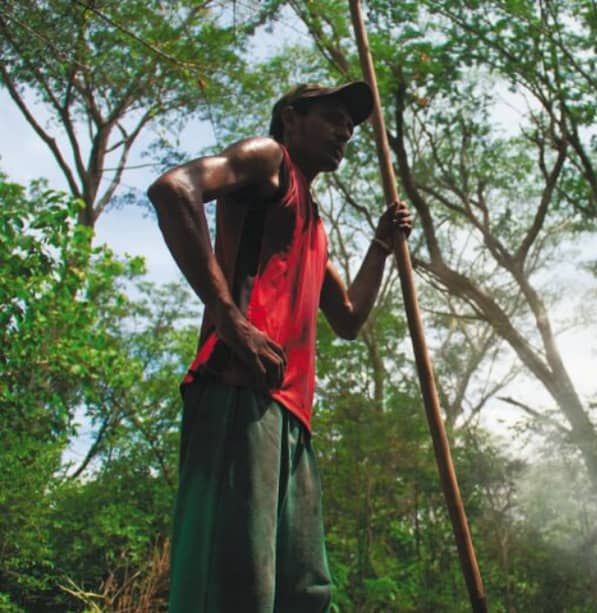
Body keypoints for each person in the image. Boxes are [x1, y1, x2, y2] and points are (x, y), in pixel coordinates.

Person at [147, 81, 411, 613]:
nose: (346, 131)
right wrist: (230, 319)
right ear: (290, 118)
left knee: (304, 592)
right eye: (333, 117)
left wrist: (382, 245)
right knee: (236, 585)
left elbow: (349, 317)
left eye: (351, 125)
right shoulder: (269, 161)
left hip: (292, 416)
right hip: (239, 393)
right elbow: (174, 189)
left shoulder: (312, 222)